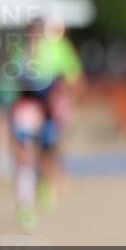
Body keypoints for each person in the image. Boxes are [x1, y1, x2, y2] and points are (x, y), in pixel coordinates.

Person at [8, 17, 84, 231]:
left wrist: (67, 101)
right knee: (24, 156)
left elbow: (74, 77)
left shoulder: (59, 48)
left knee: (48, 154)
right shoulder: (19, 50)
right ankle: (25, 203)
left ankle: (44, 183)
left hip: (51, 108)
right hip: (28, 107)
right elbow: (13, 81)